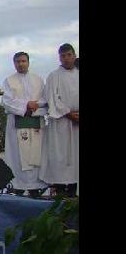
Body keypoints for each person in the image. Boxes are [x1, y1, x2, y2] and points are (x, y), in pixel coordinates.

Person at [2, 52, 48, 198]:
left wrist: (35, 105)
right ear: (13, 63)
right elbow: (7, 102)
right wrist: (26, 105)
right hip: (17, 122)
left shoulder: (38, 80)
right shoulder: (9, 81)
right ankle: (19, 186)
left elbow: (44, 99)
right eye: (17, 61)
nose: (20, 64)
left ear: (28, 62)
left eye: (23, 61)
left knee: (36, 154)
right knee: (17, 155)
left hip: (35, 122)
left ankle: (35, 187)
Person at [39, 43, 79, 197]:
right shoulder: (53, 76)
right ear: (60, 58)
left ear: (74, 55)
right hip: (61, 121)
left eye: (69, 55)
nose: (67, 58)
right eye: (63, 56)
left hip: (77, 122)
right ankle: (60, 190)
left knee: (76, 155)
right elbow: (52, 98)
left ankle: (74, 190)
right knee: (60, 155)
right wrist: (68, 113)